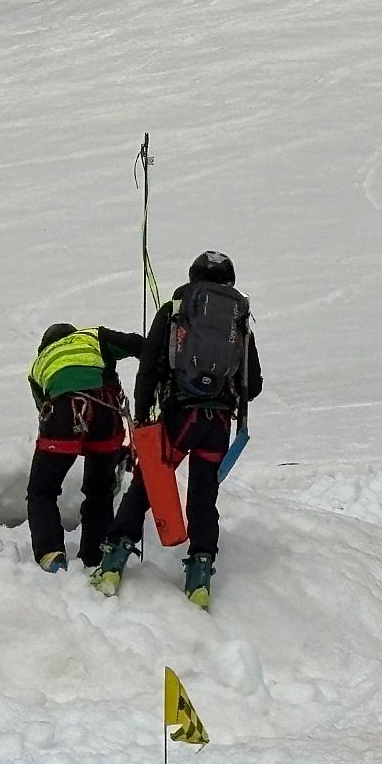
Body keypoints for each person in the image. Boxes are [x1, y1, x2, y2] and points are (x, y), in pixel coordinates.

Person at [90, 251, 262, 608]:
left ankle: (111, 564)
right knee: (203, 496)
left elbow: (149, 366)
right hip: (217, 425)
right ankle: (199, 578)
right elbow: (254, 383)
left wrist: (142, 418)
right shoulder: (238, 316)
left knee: (149, 483)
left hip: (178, 417)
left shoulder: (176, 308)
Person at [26, 322, 144, 572]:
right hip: (105, 414)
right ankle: (95, 556)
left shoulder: (38, 365)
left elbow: (43, 408)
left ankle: (50, 553)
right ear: (73, 334)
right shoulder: (92, 337)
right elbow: (138, 345)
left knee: (42, 490)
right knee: (99, 490)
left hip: (62, 414)